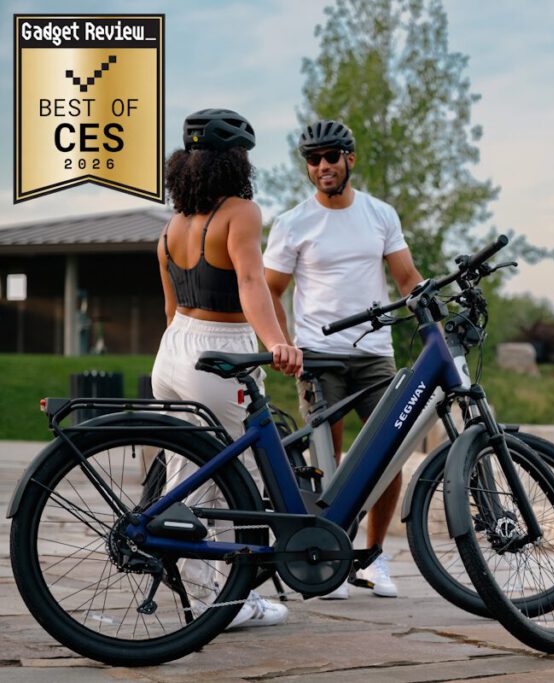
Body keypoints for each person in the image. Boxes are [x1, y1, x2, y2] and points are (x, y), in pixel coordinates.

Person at [153, 108, 303, 627]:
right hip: (219, 349)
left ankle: (202, 592)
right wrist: (277, 342)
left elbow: (170, 308)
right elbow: (251, 282)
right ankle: (221, 601)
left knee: (185, 475)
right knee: (226, 482)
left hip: (173, 350)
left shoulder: (172, 226)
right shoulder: (241, 212)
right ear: (234, 162)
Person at [264, 120, 423, 599]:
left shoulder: (380, 214)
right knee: (327, 463)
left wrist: (433, 311)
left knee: (389, 454)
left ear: (349, 159)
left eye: (330, 157)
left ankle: (373, 559)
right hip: (318, 355)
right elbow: (270, 291)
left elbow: (407, 278)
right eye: (313, 160)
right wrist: (284, 343)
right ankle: (332, 557)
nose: (322, 167)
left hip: (374, 354)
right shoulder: (292, 223)